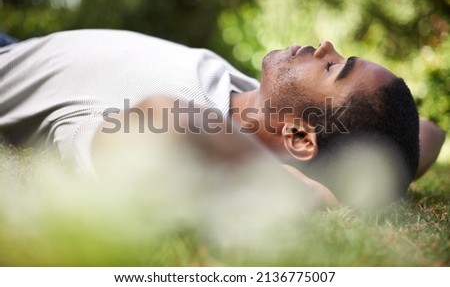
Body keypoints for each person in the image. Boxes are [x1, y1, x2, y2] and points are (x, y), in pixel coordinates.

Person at [0, 29, 445, 208]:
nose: (325, 47)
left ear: (298, 136)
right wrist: (359, 187)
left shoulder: (162, 133)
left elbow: (162, 118)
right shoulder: (256, 105)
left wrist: (301, 191)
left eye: (333, 69)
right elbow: (431, 133)